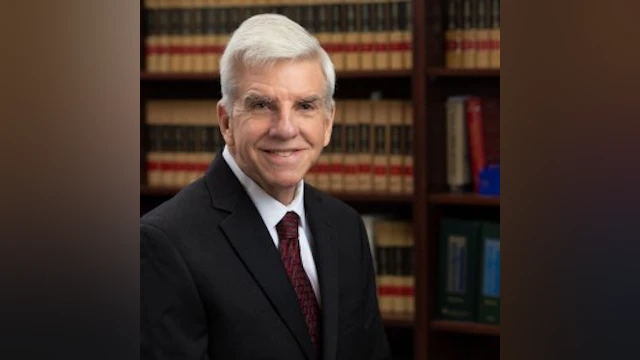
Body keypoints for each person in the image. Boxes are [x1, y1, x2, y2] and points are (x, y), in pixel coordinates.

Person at [140, 13, 391, 360]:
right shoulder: (163, 243)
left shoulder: (345, 226)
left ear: (328, 123)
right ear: (226, 122)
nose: (285, 129)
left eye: (305, 106)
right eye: (261, 105)